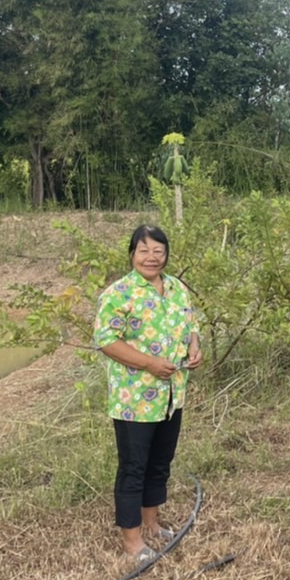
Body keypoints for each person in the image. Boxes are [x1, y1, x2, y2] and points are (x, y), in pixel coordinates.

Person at [93, 224, 202, 562]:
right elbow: (106, 340)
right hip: (134, 400)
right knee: (133, 467)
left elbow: (191, 323)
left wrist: (195, 347)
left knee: (159, 462)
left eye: (158, 251)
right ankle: (133, 543)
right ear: (132, 254)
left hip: (172, 395)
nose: (151, 258)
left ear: (166, 256)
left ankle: (152, 524)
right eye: (144, 251)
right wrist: (149, 364)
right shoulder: (119, 293)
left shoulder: (176, 288)